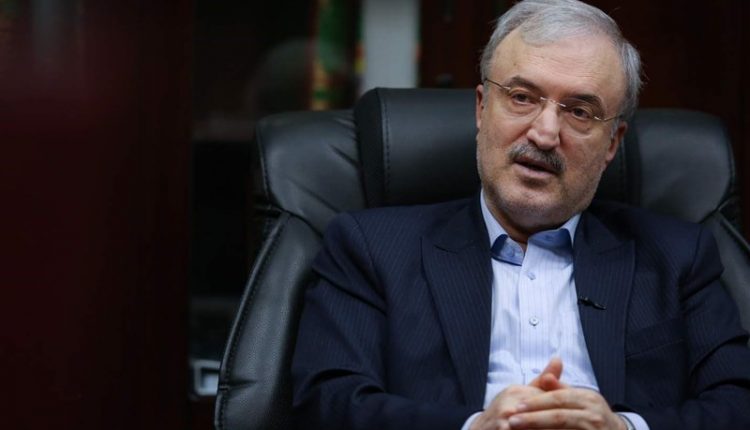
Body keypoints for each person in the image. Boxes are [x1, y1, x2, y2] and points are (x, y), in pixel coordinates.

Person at [291, 1, 750, 429]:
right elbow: (328, 401)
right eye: (522, 97)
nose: (545, 133)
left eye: (580, 112)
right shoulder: (371, 250)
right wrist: (475, 427)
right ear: (481, 108)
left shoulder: (678, 255)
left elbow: (737, 401)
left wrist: (623, 427)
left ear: (612, 143)